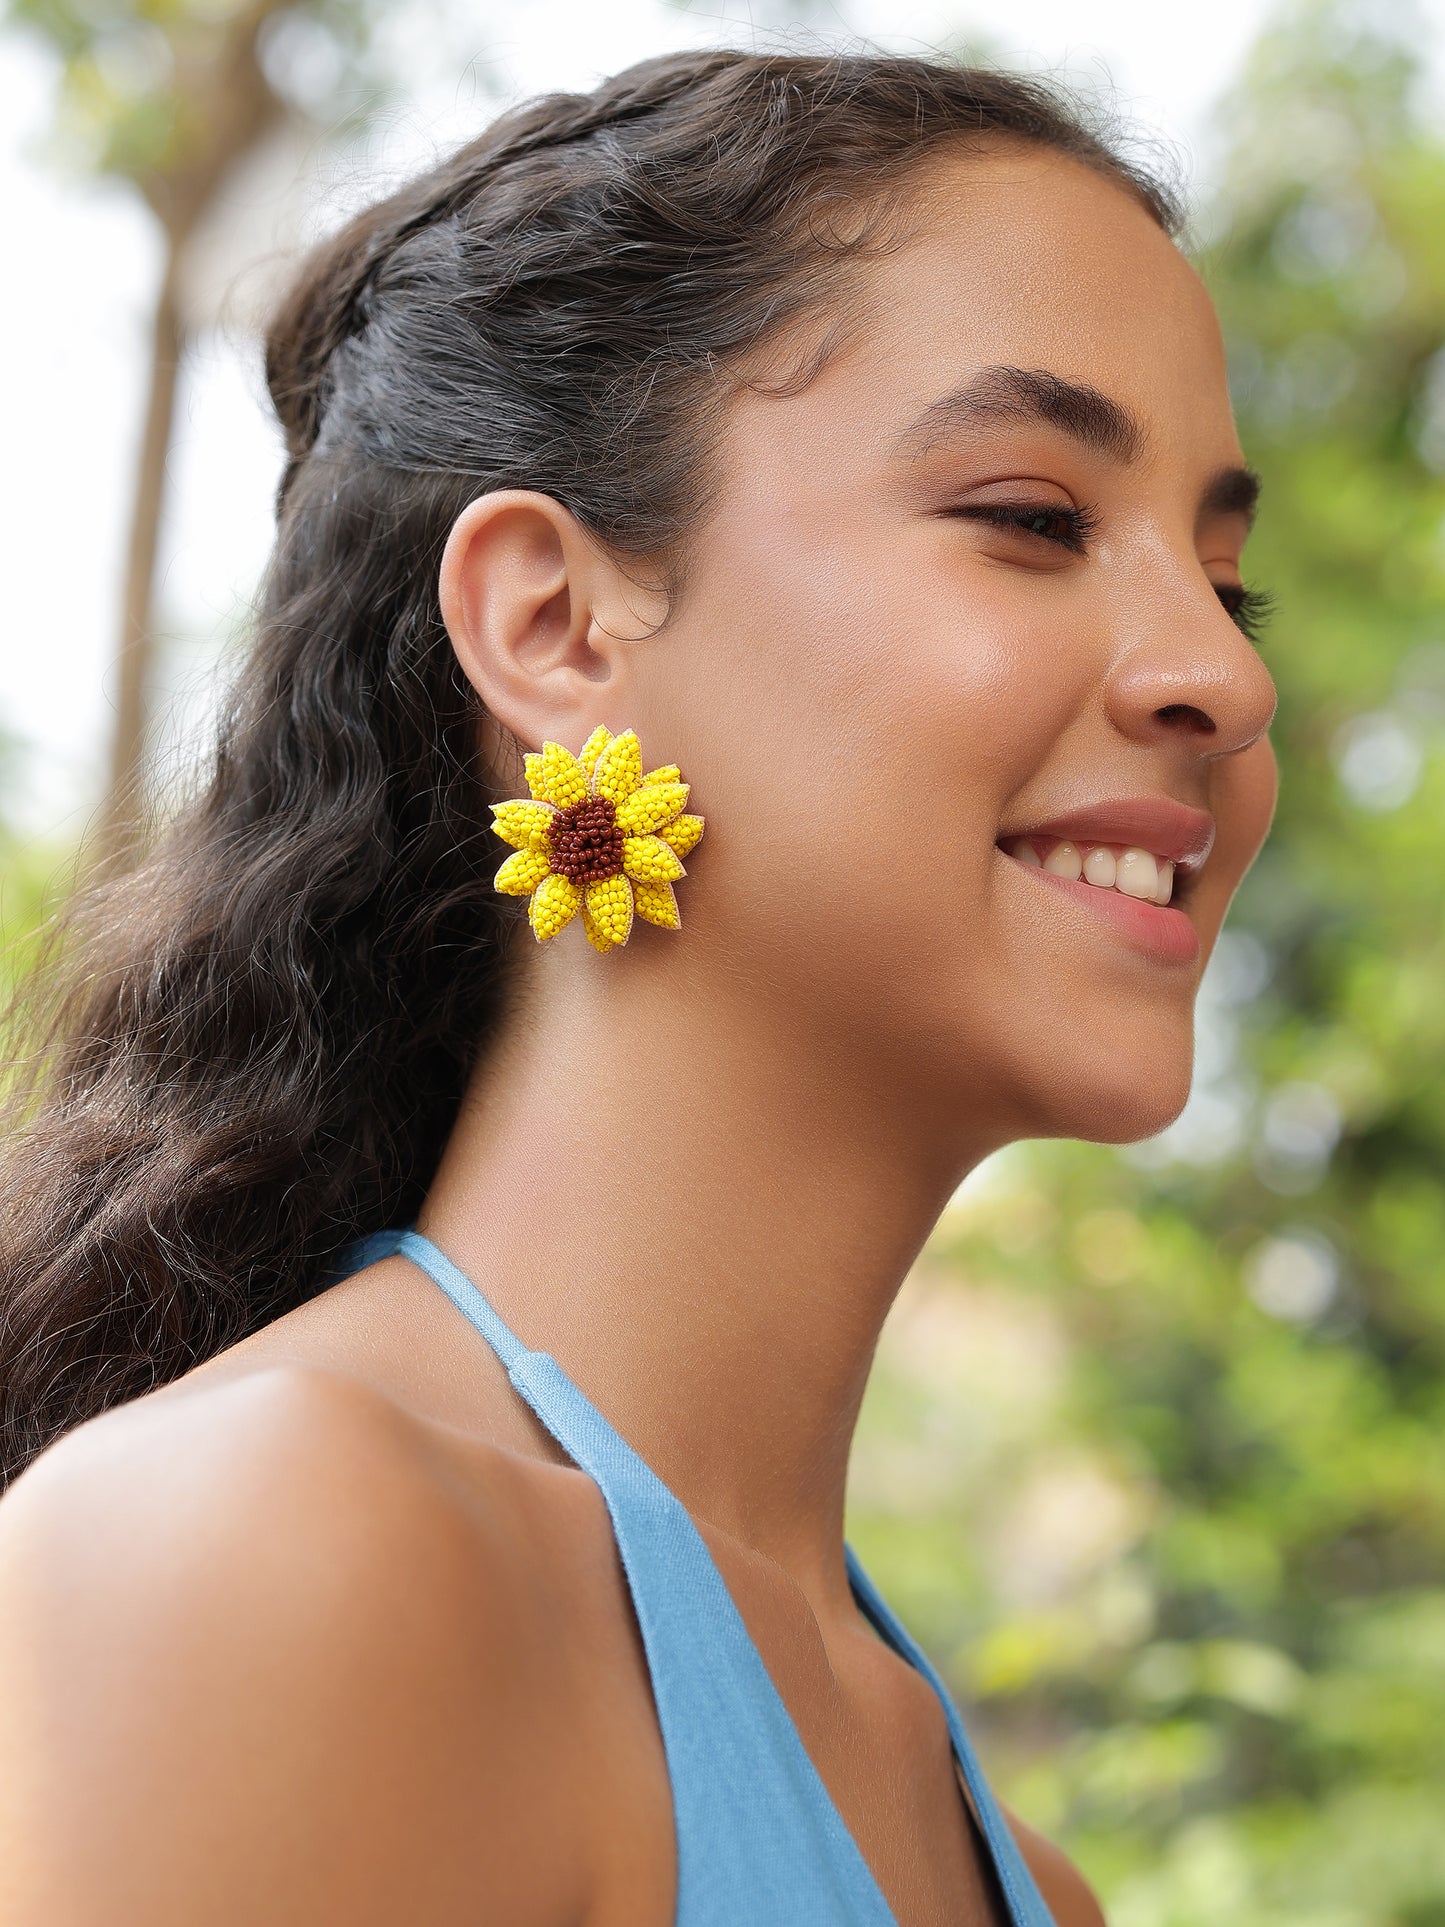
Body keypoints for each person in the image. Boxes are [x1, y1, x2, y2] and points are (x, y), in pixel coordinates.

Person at [0, 49, 1277, 1926]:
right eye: (1030, 514)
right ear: (555, 626)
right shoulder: (272, 1555)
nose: (1221, 681)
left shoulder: (1023, 1877)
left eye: (1230, 584)